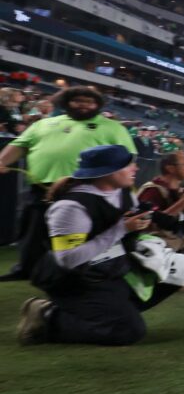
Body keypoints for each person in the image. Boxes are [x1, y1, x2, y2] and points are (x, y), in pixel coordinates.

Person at [16, 145, 182, 346]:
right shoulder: (70, 207)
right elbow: (68, 260)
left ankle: (110, 311)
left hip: (110, 270)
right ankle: (48, 316)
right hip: (77, 281)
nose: (135, 168)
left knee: (178, 272)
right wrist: (121, 228)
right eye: (128, 164)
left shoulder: (124, 192)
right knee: (128, 331)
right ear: (106, 171)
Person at [0, 86, 135, 281]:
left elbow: (127, 158)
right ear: (66, 103)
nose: (84, 105)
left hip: (86, 190)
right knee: (33, 231)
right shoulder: (43, 124)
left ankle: (82, 271)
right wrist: (2, 161)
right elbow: (19, 145)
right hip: (42, 187)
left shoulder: (113, 127)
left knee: (82, 233)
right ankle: (27, 268)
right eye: (78, 101)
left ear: (98, 105)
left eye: (90, 102)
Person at [137, 151, 184, 252]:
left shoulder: (178, 191)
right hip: (154, 251)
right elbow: (151, 225)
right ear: (170, 168)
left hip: (176, 246)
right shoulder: (152, 190)